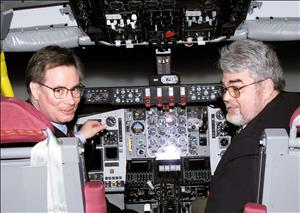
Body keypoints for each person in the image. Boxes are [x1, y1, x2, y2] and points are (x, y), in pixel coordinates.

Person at [25, 45, 124, 213]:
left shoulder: (31, 123)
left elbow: (55, 147)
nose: (71, 100)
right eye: (59, 90)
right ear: (35, 89)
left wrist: (79, 137)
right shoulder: (32, 137)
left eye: (75, 89)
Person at [204, 39, 300, 212]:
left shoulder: (247, 150)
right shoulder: (295, 102)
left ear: (266, 88)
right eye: (224, 88)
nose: (226, 97)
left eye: (236, 88)